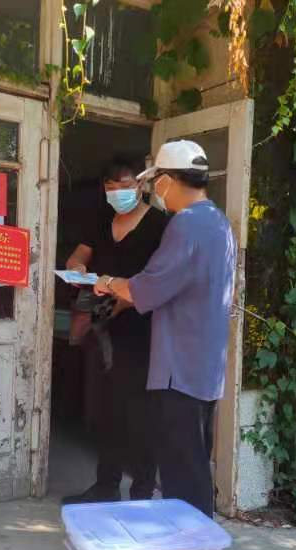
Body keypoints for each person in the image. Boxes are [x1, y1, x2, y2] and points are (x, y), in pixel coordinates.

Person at [93, 140, 237, 518]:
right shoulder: (218, 221)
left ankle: (191, 549)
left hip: (180, 371)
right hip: (204, 369)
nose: (156, 189)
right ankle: (196, 544)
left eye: (156, 180)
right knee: (194, 467)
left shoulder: (185, 224)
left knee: (182, 477)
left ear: (169, 180)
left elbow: (147, 289)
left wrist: (108, 282)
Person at [63, 158, 169, 504]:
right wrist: (77, 268)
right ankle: (105, 486)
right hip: (104, 325)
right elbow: (78, 257)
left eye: (125, 186)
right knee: (106, 410)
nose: (118, 193)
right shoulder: (102, 220)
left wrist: (122, 300)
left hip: (143, 329)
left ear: (140, 185)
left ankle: (142, 492)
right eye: (111, 188)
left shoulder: (160, 225)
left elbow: (159, 280)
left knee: (141, 413)